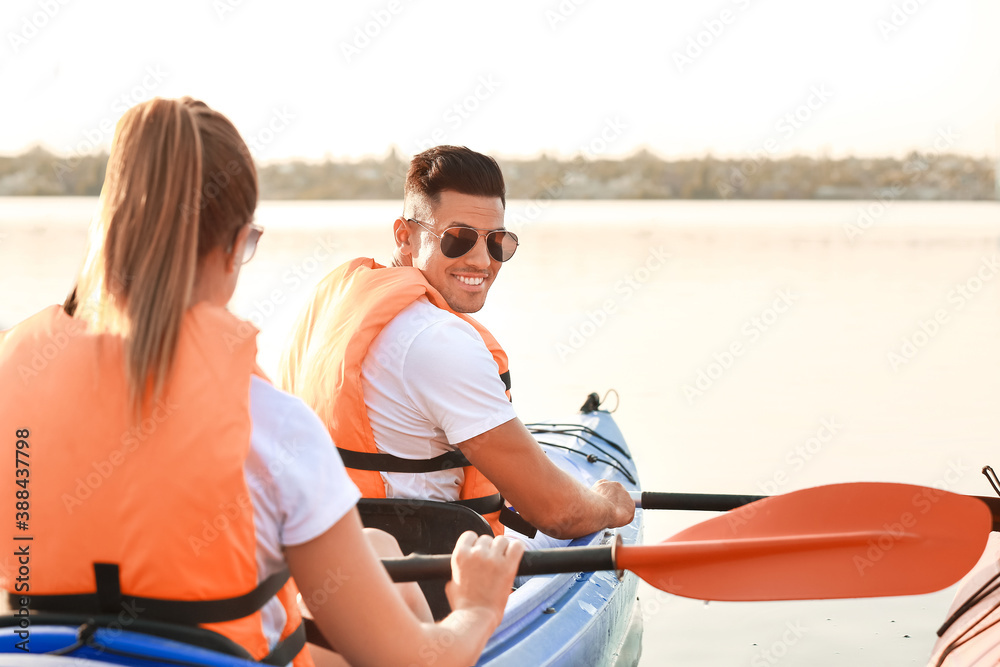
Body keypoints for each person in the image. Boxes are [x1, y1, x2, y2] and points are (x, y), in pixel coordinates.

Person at [0, 99, 523, 667]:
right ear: (230, 247)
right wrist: (476, 605)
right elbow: (417, 660)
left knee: (374, 546)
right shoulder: (270, 424)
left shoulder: (13, 377)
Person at [279, 145, 635, 543]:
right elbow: (559, 513)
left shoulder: (335, 305)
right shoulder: (438, 340)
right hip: (424, 583)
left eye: (497, 241)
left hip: (333, 560)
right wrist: (609, 504)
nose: (482, 261)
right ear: (405, 238)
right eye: (458, 239)